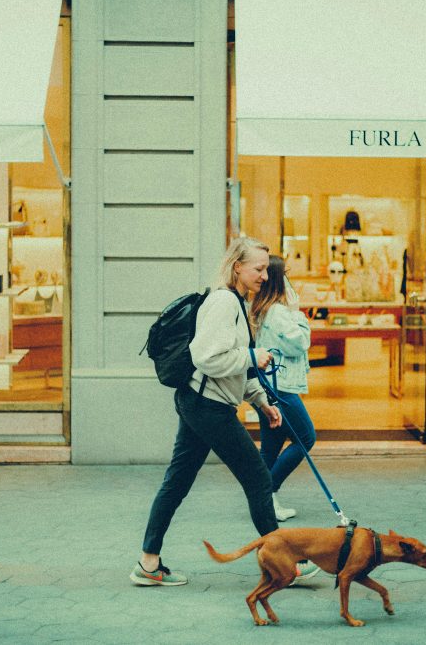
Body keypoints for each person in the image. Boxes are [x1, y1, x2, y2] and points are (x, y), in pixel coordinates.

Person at [131, 236, 320, 587]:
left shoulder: (238, 303)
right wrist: (252, 357)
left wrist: (263, 401)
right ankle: (286, 565)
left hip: (200, 402)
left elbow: (233, 366)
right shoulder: (223, 303)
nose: (265, 276)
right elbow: (208, 357)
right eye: (258, 269)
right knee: (258, 479)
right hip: (208, 406)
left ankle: (148, 563)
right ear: (238, 267)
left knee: (178, 481)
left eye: (266, 269)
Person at [251, 255, 316, 522]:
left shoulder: (261, 308)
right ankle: (268, 492)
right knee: (305, 437)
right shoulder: (278, 312)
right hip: (282, 387)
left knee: (271, 445)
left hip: (268, 385)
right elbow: (300, 342)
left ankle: (264, 502)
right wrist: (298, 311)